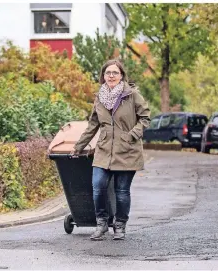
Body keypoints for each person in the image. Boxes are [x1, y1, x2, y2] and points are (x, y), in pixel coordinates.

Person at [72, 59, 150, 241]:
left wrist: (131, 135)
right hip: (104, 150)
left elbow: (145, 118)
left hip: (127, 150)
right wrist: (79, 147)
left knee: (122, 191)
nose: (111, 76)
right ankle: (102, 224)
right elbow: (93, 125)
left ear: (121, 75)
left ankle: (120, 226)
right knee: (98, 187)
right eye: (108, 73)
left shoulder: (132, 95)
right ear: (103, 76)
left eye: (115, 72)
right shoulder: (99, 97)